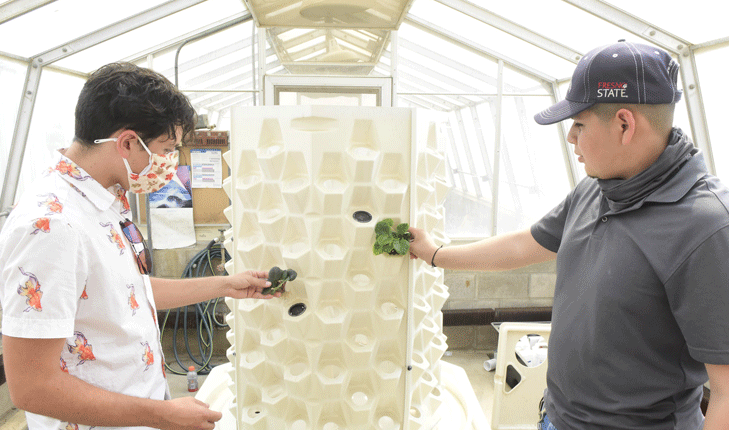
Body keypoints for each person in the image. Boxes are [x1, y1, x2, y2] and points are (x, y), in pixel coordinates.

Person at [409, 40, 729, 429]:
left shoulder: (706, 227)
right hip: (558, 418)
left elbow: (726, 390)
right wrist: (435, 253)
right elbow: (523, 244)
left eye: (579, 124)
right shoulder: (597, 188)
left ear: (625, 125)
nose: (570, 138)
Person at [0, 63, 280, 430]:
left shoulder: (103, 201)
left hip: (137, 413)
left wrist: (226, 285)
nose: (170, 163)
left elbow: (124, 293)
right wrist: (163, 414)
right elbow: (32, 388)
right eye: (167, 149)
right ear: (128, 142)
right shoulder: (53, 225)